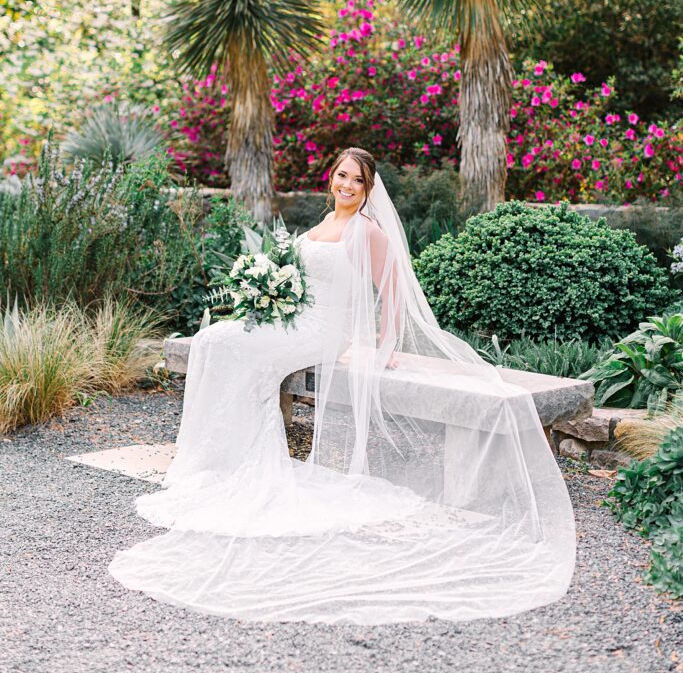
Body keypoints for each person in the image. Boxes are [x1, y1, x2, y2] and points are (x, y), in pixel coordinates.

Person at [109, 146, 576, 623]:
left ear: (369, 189)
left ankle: (245, 461)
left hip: (323, 332)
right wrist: (269, 297)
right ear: (330, 179)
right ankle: (217, 456)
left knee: (237, 349)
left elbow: (392, 288)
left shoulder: (367, 232)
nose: (346, 185)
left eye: (356, 180)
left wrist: (387, 345)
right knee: (214, 339)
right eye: (341, 175)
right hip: (293, 320)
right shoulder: (318, 225)